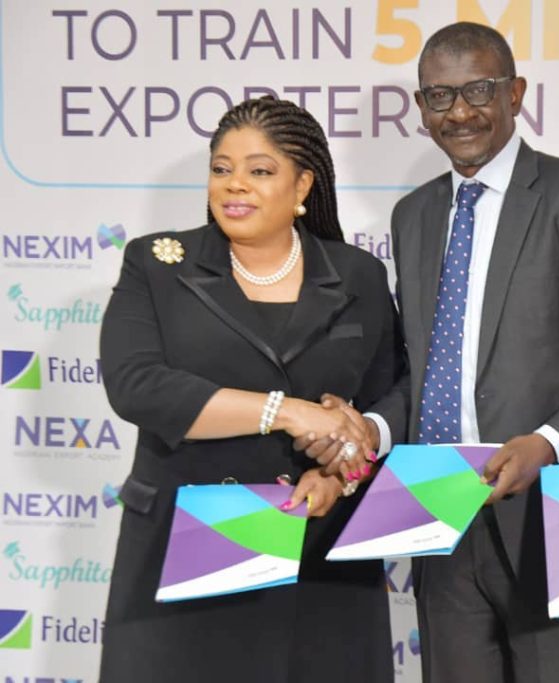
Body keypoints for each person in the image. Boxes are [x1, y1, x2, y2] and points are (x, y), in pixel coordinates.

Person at [302, 20, 559, 683]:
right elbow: (425, 364)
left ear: (516, 93)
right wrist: (371, 427)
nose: (460, 111)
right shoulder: (413, 215)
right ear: (420, 108)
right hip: (437, 512)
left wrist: (549, 442)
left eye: (479, 90)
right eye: (440, 96)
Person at [98, 96, 406, 682]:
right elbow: (137, 385)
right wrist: (286, 412)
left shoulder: (359, 274)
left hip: (321, 556)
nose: (235, 184)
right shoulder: (158, 265)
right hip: (181, 551)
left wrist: (342, 474)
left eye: (260, 170)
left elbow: (389, 400)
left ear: (302, 186)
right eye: (221, 168)